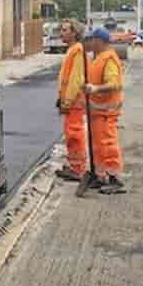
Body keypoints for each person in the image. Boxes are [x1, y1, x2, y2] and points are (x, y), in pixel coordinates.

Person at [84, 27, 125, 194]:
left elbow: (113, 84)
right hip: (98, 112)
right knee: (99, 146)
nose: (90, 43)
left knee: (108, 145)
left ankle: (114, 178)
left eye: (92, 40)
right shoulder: (98, 58)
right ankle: (101, 176)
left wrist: (94, 89)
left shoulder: (108, 59)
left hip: (106, 112)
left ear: (99, 41)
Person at [55, 20, 87, 182]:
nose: (61, 33)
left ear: (74, 33)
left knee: (75, 134)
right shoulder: (73, 50)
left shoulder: (77, 51)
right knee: (70, 134)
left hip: (74, 102)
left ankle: (78, 169)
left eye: (65, 30)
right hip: (70, 100)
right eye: (61, 29)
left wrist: (67, 101)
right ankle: (74, 165)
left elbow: (76, 79)